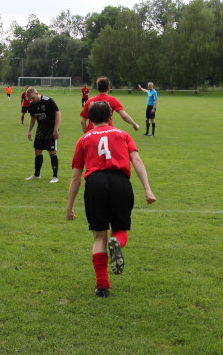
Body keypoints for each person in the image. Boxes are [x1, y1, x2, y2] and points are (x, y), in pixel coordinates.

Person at [66, 101, 156, 297]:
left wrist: (69, 208)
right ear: (110, 116)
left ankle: (102, 286)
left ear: (90, 119)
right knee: (120, 229)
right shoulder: (123, 134)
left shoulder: (83, 139)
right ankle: (117, 240)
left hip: (95, 184)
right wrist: (147, 189)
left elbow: (76, 177)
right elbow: (137, 160)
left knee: (99, 236)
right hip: (120, 183)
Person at [25, 86, 61, 183]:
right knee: (37, 151)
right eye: (30, 99)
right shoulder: (32, 104)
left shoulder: (48, 101)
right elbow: (33, 118)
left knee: (52, 151)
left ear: (37, 94)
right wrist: (29, 130)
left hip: (51, 130)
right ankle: (37, 175)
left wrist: (56, 129)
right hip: (40, 131)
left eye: (33, 98)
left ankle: (55, 177)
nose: (32, 100)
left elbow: (58, 113)